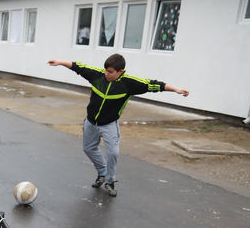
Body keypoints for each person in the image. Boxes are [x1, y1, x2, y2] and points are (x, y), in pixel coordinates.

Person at [48, 54, 188, 197]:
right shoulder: (97, 75)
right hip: (90, 122)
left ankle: (109, 181)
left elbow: (154, 84)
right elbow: (78, 66)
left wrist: (176, 89)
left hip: (109, 125)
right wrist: (59, 62)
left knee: (113, 153)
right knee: (88, 148)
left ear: (120, 72)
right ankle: (102, 172)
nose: (106, 74)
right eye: (105, 71)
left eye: (110, 72)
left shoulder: (129, 83)